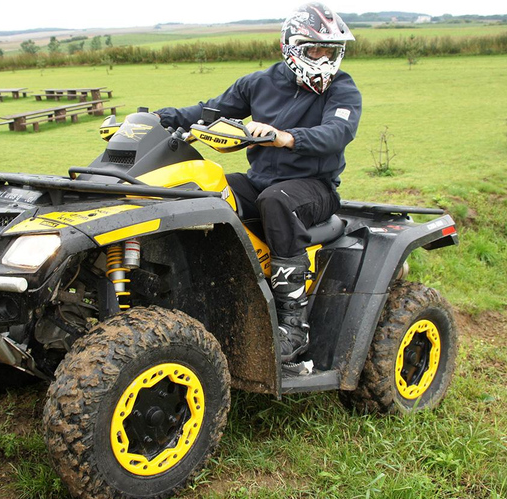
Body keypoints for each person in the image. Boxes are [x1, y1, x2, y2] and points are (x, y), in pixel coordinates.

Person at [155, 2, 362, 363]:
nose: (325, 59)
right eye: (316, 50)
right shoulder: (259, 83)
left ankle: (293, 328)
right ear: (291, 48)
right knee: (205, 187)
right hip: (261, 180)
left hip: (314, 188)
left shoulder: (341, 89)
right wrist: (155, 117)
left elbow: (338, 131)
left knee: (277, 201)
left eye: (331, 52)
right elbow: (209, 111)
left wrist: (286, 137)